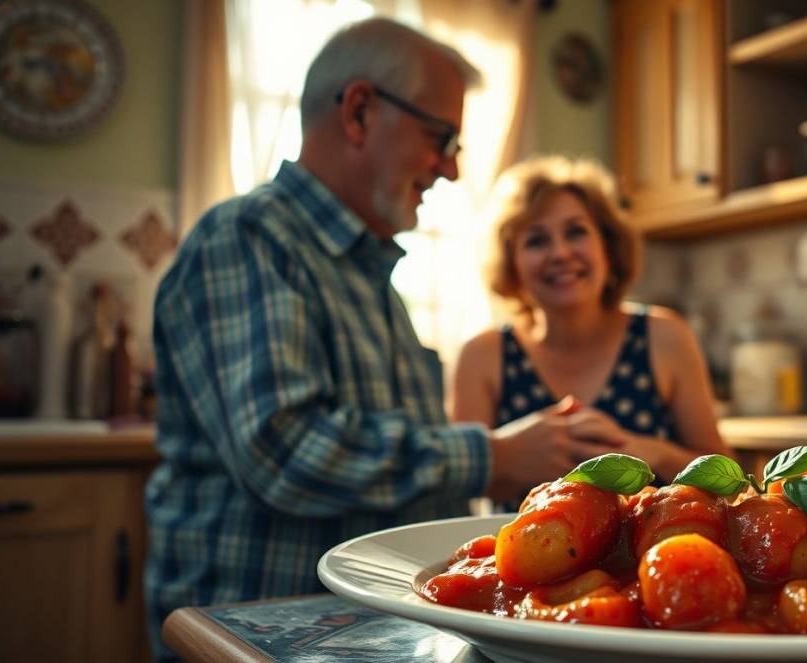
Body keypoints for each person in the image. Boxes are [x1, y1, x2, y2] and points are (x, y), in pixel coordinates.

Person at [144, 19, 616, 661]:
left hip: (358, 629)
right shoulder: (248, 237)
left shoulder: (374, 284)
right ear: (361, 111)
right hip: (261, 628)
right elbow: (285, 450)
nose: (450, 168)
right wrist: (495, 457)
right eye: (441, 137)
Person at [451, 156, 731, 488]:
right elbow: (463, 485)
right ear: (511, 263)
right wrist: (519, 456)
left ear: (608, 247)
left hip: (649, 542)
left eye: (576, 232)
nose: (560, 253)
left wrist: (652, 452)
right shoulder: (482, 354)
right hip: (522, 540)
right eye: (536, 240)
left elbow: (726, 478)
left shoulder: (665, 336)